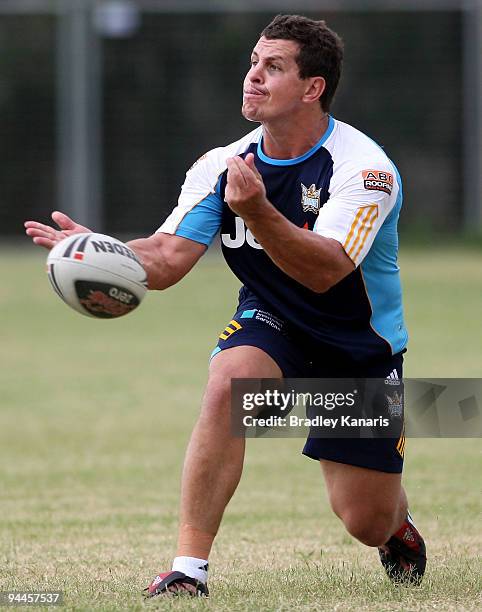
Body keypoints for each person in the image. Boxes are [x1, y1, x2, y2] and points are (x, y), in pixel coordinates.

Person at [25, 14, 426, 598]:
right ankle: (189, 569)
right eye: (252, 63)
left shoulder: (363, 170)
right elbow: (165, 258)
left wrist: (260, 212)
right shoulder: (222, 165)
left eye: (273, 67)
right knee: (228, 383)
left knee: (364, 520)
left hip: (356, 347)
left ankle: (396, 527)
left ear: (313, 88)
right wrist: (103, 254)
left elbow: (326, 270)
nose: (253, 77)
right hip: (274, 321)